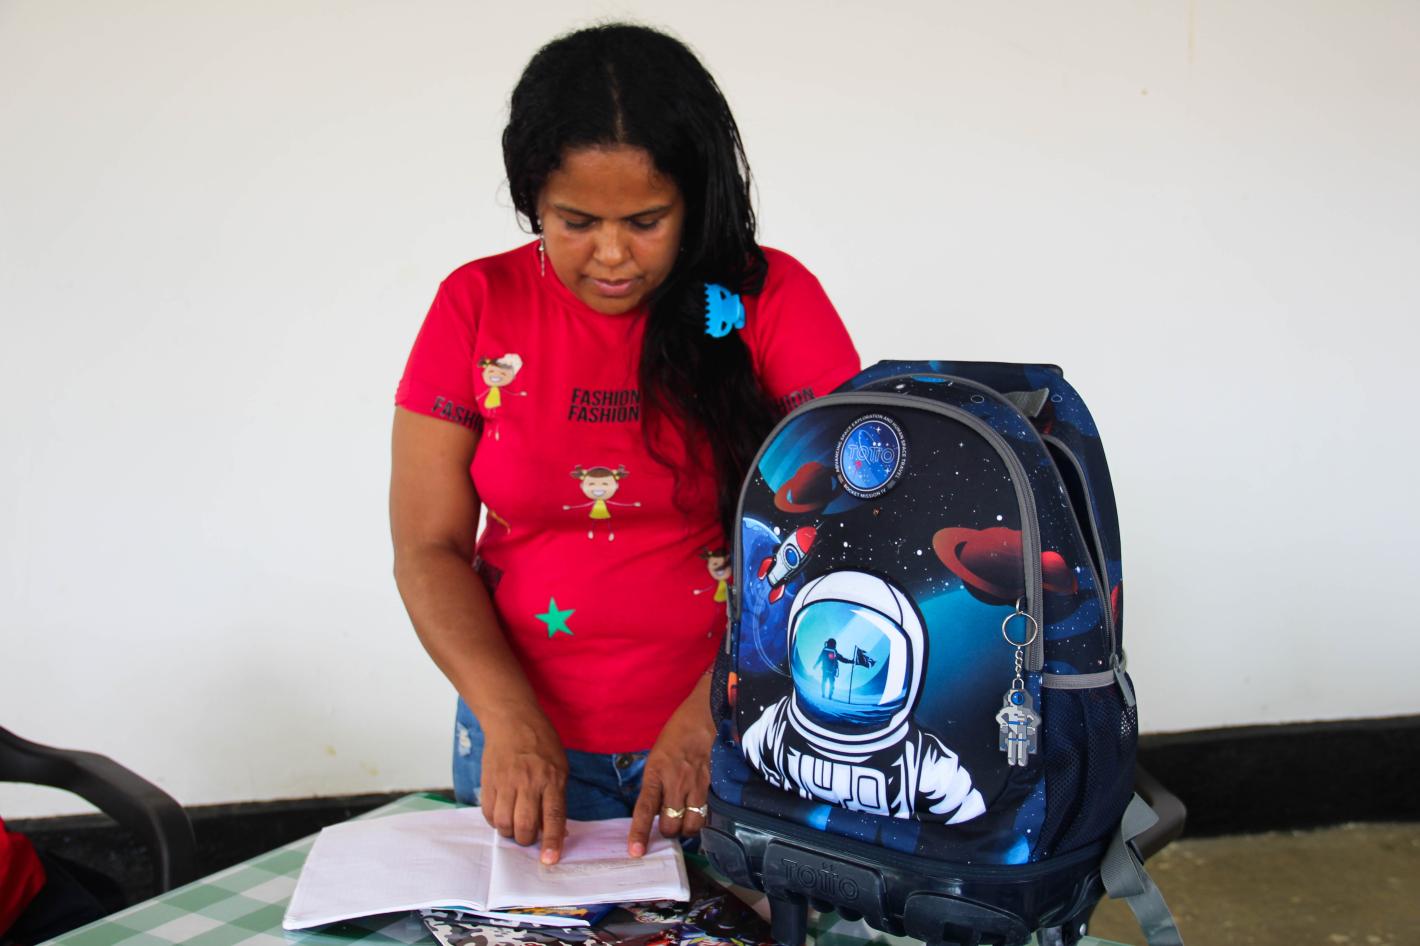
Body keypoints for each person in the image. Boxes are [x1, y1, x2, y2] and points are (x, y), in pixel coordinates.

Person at [389, 23, 860, 868]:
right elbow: (428, 546)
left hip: (742, 730)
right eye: (575, 222)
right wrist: (510, 719)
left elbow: (849, 535)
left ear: (695, 197)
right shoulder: (476, 304)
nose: (611, 256)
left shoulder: (773, 301)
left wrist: (715, 709)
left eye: (646, 221)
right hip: (523, 744)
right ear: (532, 198)